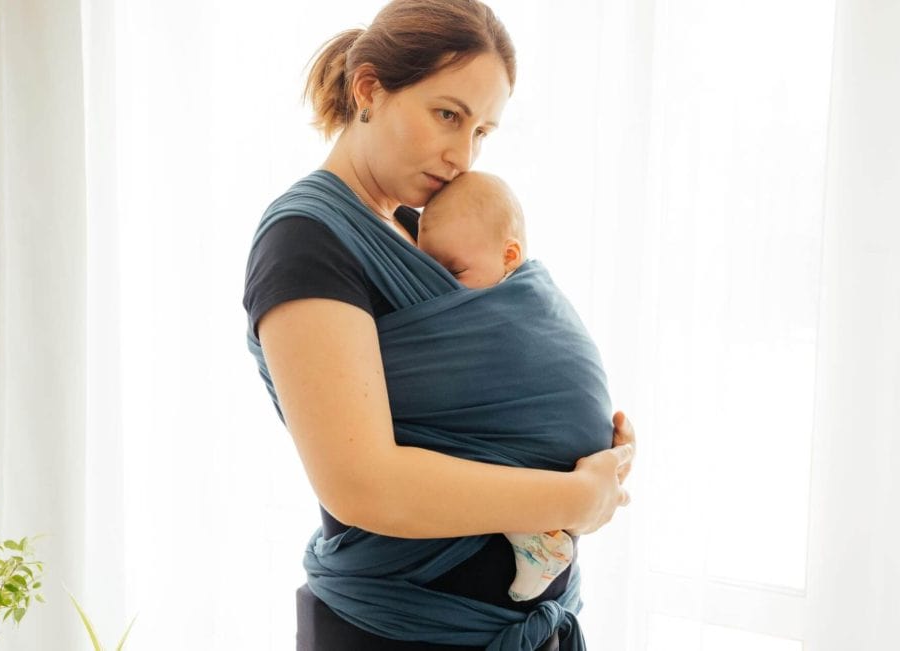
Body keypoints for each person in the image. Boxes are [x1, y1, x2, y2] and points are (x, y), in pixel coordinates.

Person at [242, 1, 637, 649]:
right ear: (369, 89)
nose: (462, 155)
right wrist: (574, 498)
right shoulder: (306, 244)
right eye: (448, 115)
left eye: (482, 131)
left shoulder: (423, 231)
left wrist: (583, 441)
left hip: (526, 623)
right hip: (400, 630)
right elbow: (363, 486)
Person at [418, 170, 579, 603]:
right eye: (431, 272)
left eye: (455, 271)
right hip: (568, 450)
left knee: (480, 449)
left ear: (510, 256)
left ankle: (539, 542)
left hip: (551, 440)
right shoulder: (489, 279)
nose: (444, 288)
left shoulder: (517, 303)